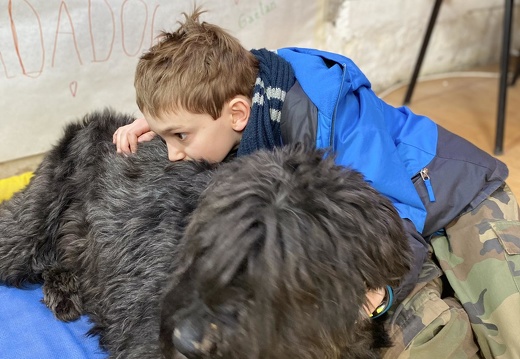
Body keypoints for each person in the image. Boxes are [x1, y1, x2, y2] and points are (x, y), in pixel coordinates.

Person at [113, 7, 520, 358]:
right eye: (165, 136)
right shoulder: (241, 98)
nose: (172, 153)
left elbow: (394, 221)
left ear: (237, 114)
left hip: (453, 198)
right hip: (387, 216)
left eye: (180, 137)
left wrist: (375, 297)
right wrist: (168, 117)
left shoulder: (333, 116)